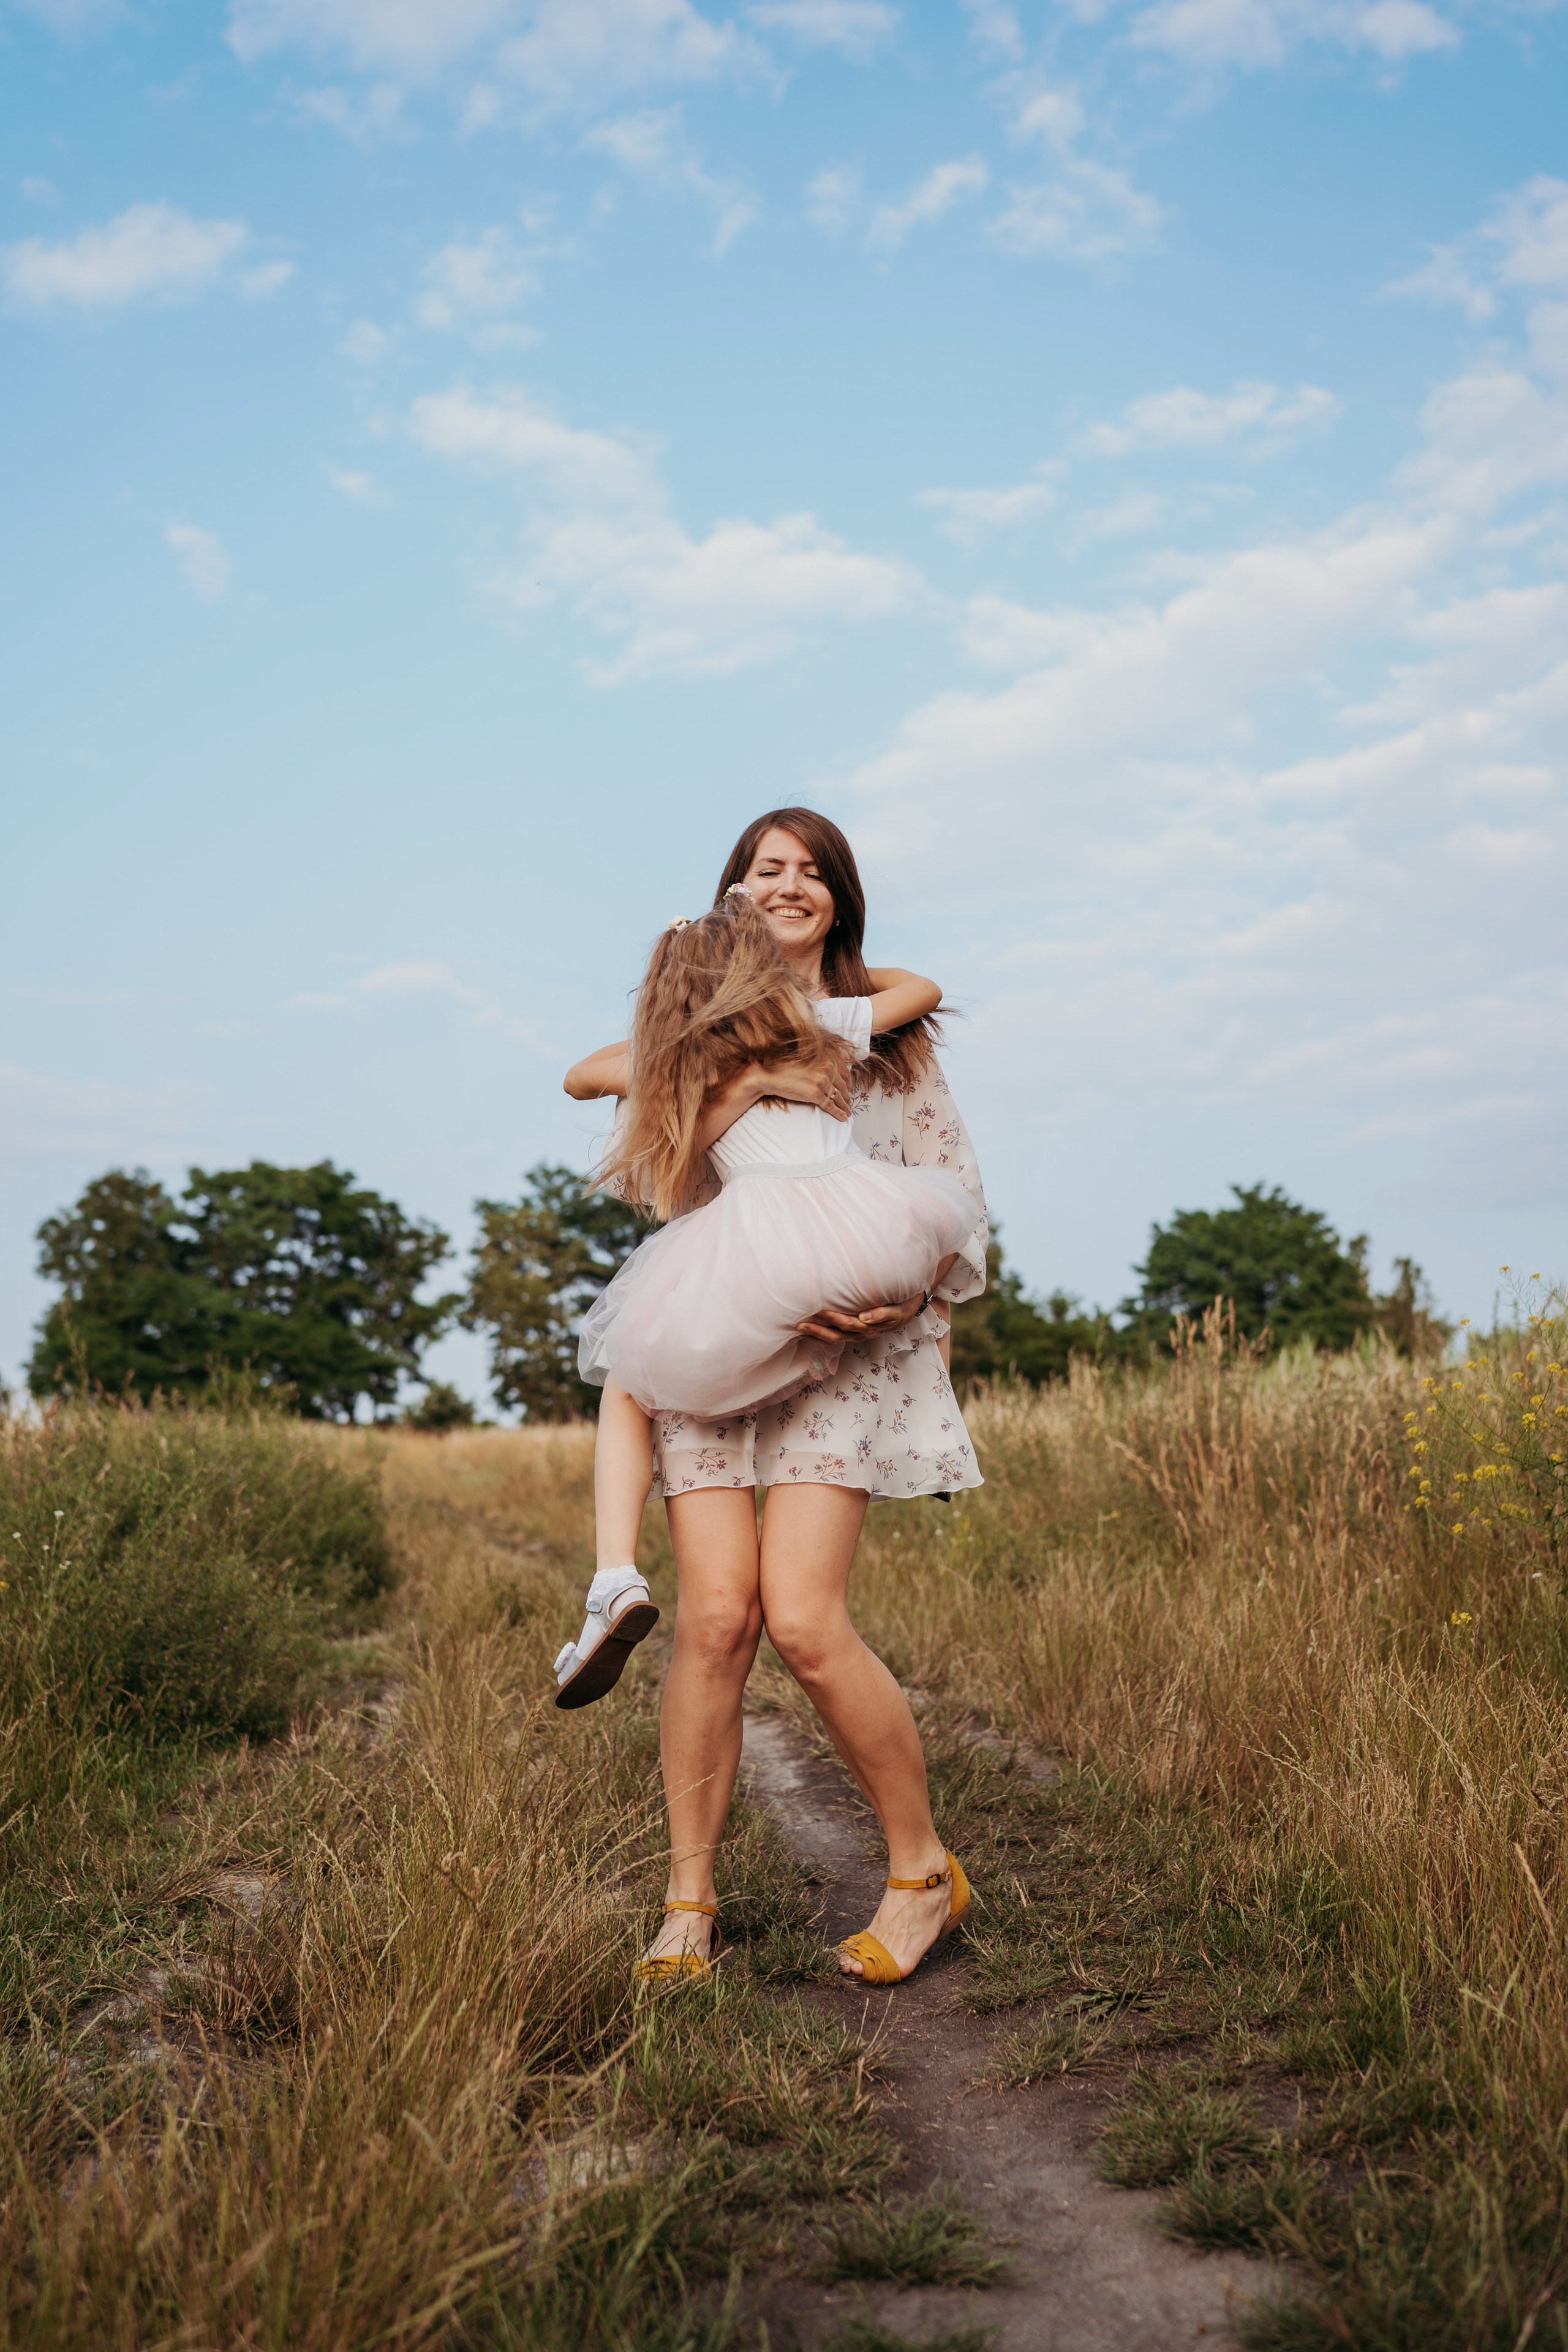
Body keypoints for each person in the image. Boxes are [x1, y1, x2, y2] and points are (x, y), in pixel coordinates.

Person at [563, 809, 989, 1987]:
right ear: (732, 897)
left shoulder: (885, 1042)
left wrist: (895, 1309)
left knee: (802, 1619)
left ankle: (920, 1872)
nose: (790, 886)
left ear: (839, 901)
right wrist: (718, 1073)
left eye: (812, 872)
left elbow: (947, 1195)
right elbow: (663, 1186)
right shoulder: (689, 1032)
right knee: (713, 1622)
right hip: (711, 1332)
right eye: (766, 870)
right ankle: (688, 1907)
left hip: (840, 1346)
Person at [551, 888, 977, 1712]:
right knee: (795, 1348)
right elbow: (922, 989)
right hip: (878, 1236)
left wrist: (727, 1077)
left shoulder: (694, 1062)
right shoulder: (821, 1030)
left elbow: (578, 1080)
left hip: (777, 1248)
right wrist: (842, 967)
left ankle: (612, 1577)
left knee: (632, 1375)